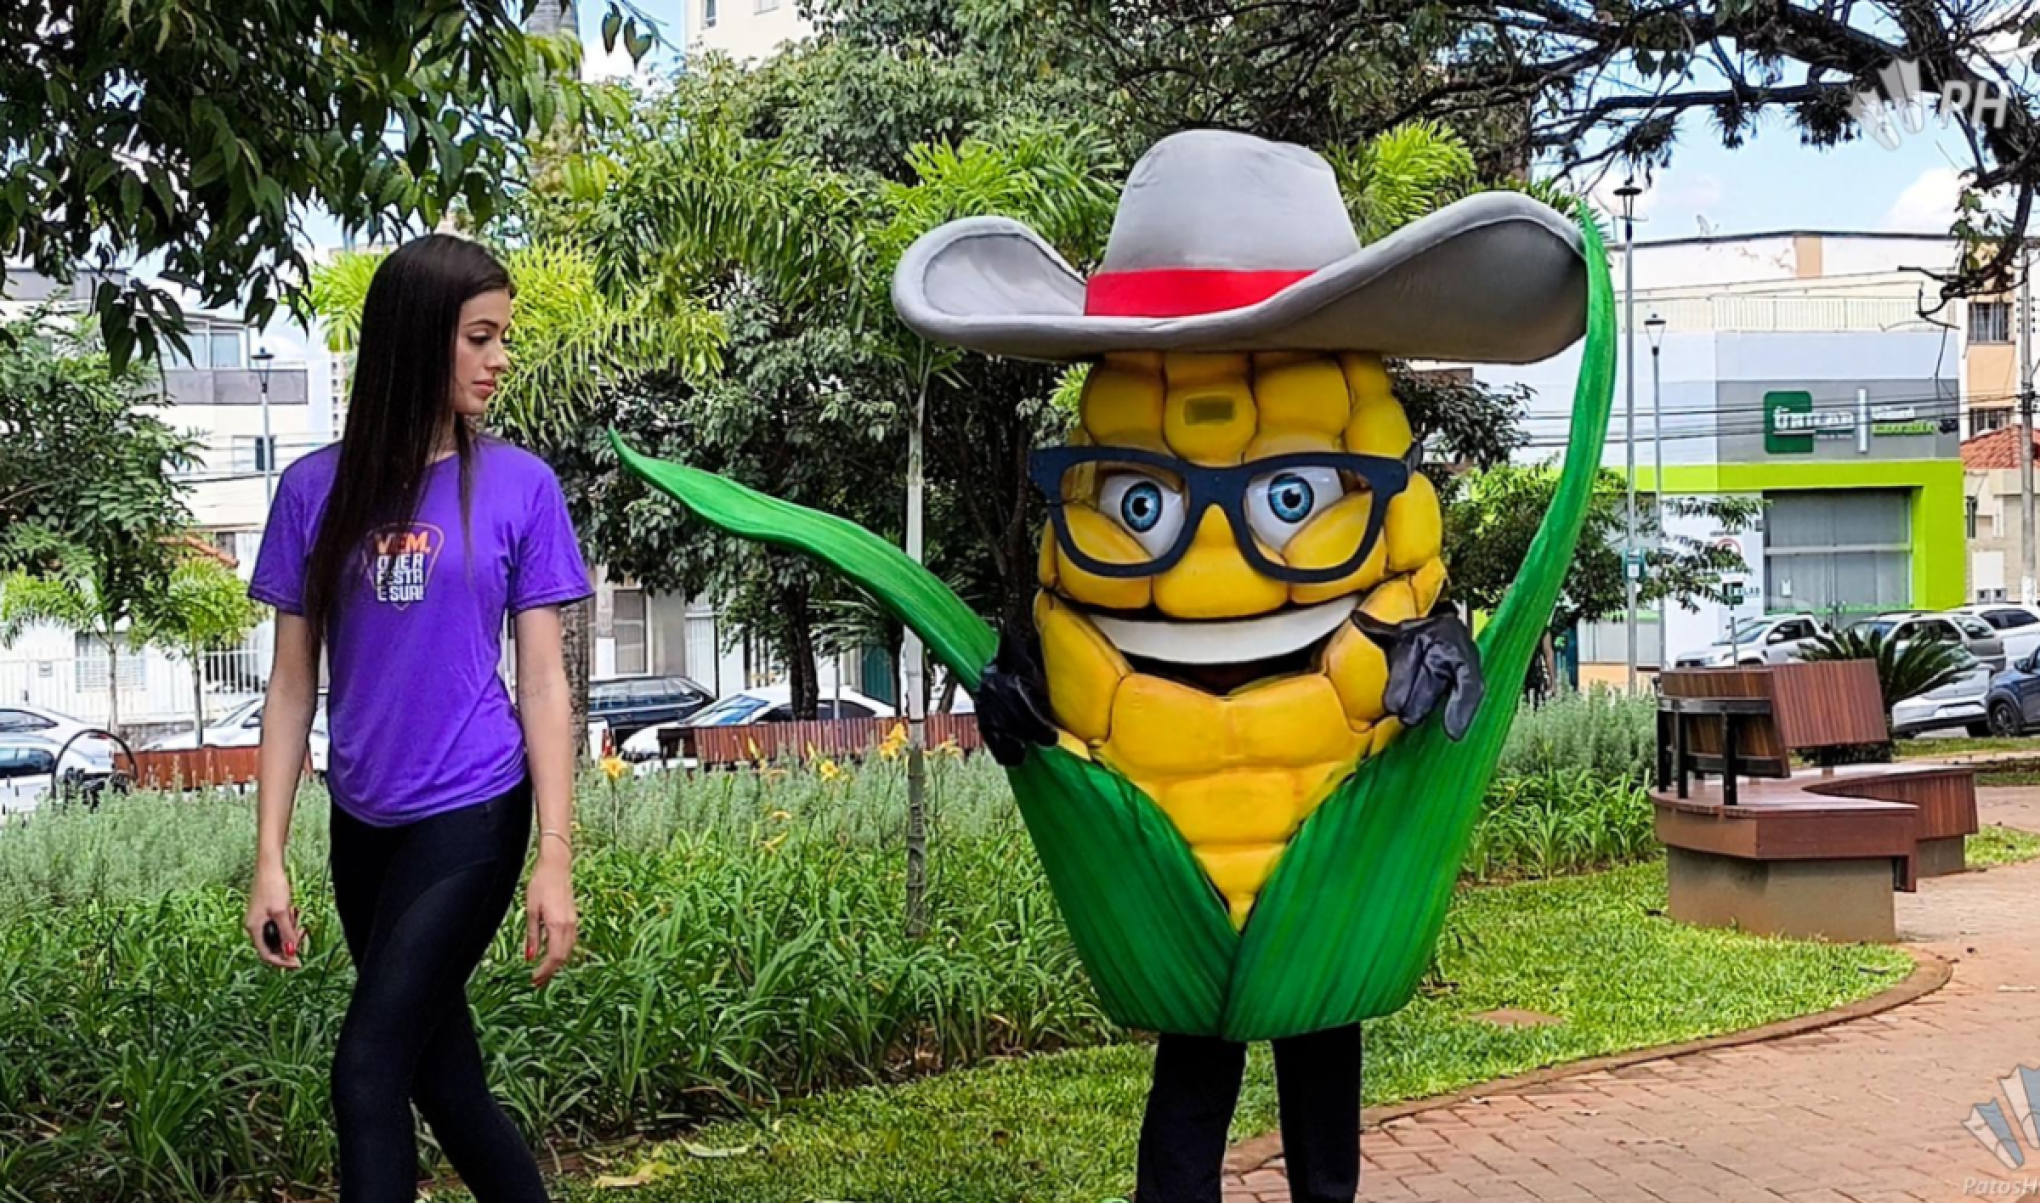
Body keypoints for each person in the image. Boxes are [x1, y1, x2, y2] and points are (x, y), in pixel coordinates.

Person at [243, 234, 592, 1203]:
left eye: (502, 338)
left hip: (474, 812)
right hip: (362, 825)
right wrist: (270, 856)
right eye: (479, 338)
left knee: (365, 1070)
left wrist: (554, 854)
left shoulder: (522, 486)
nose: (500, 359)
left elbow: (545, 683)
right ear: (416, 340)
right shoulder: (313, 490)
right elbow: (289, 686)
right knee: (444, 1082)